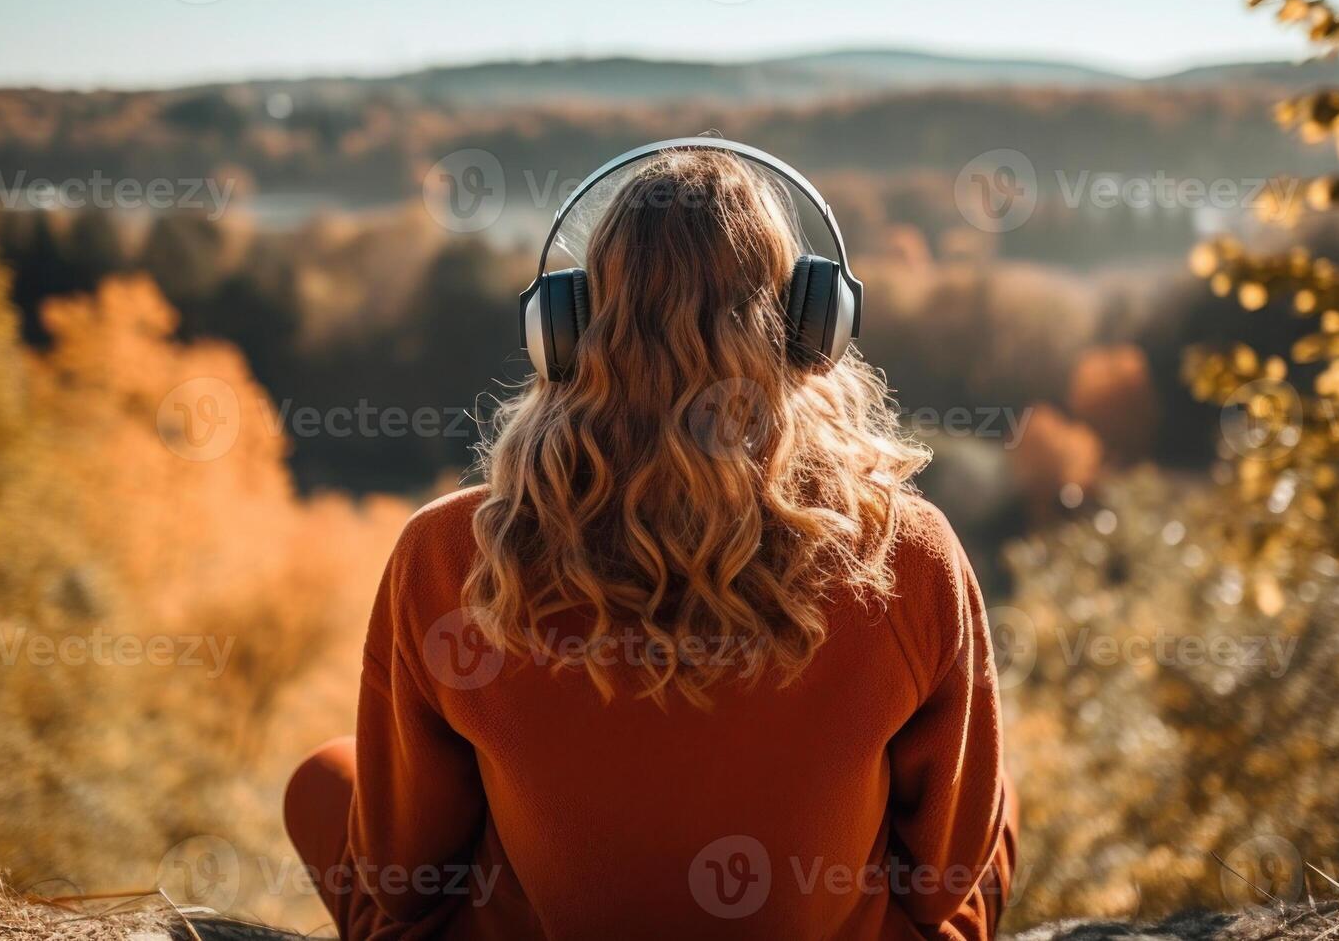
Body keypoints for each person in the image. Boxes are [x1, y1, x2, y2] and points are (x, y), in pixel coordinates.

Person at [283, 142, 1016, 940]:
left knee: (323, 778)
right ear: (813, 328)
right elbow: (946, 884)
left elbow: (403, 880)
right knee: (1000, 798)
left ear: (562, 330)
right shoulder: (903, 552)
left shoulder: (449, 552)